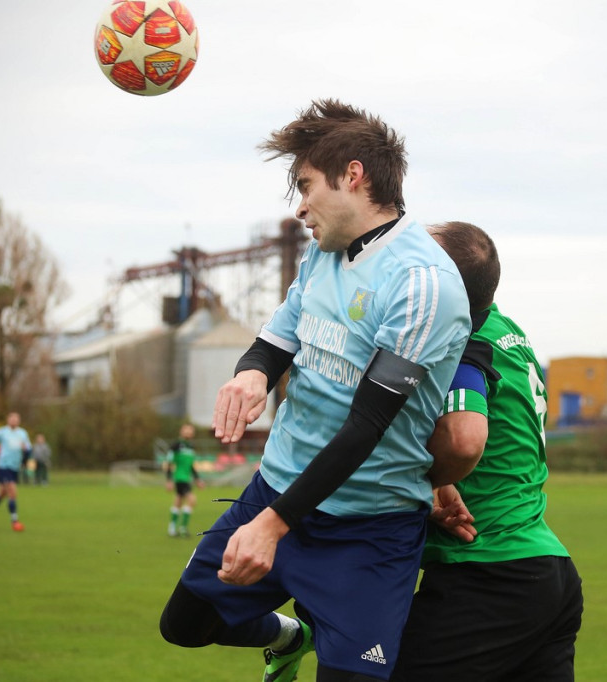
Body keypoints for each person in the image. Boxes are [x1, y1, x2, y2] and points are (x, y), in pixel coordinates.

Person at [159, 99, 471, 682]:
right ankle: (292, 634)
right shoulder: (321, 252)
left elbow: (368, 425)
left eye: (305, 185)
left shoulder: (422, 283)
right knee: (184, 625)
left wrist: (273, 525)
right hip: (275, 490)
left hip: (368, 530)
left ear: (353, 175)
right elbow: (278, 338)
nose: (300, 207)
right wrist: (253, 372)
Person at [391, 221, 584, 682]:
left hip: (488, 569)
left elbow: (463, 439)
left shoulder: (461, 341)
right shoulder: (507, 329)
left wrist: (421, 480)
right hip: (546, 568)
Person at [0, 412, 32, 532]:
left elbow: (29, 448)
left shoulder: (23, 433)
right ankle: (15, 522)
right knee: (12, 492)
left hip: (15, 467)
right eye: (12, 418)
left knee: (2, 493)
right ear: (8, 420)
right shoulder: (2, 431)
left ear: (19, 420)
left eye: (16, 418)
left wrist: (26, 452)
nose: (14, 420)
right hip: (3, 466)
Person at [164, 424, 204, 537]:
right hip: (179, 478)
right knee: (192, 500)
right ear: (181, 431)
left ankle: (172, 529)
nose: (189, 432)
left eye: (190, 431)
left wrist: (197, 479)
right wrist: (169, 480)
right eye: (186, 430)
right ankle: (182, 528)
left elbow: (191, 466)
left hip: (186, 478)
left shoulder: (191, 447)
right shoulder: (176, 445)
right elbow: (169, 462)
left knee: (178, 502)